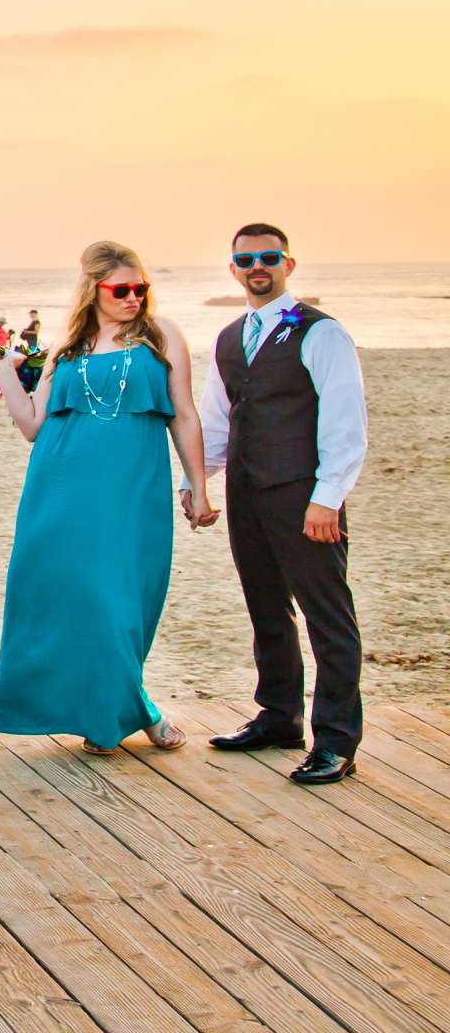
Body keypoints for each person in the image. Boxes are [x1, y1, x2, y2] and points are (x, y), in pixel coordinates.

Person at [0, 242, 215, 755]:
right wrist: (7, 372)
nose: (134, 297)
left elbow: (183, 413)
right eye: (122, 290)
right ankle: (128, 713)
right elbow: (31, 427)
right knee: (71, 602)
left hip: (131, 492)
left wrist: (198, 486)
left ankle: (131, 709)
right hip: (59, 491)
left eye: (141, 288)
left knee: (119, 603)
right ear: (94, 290)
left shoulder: (161, 337)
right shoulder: (68, 348)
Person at [203, 223, 369, 785]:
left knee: (328, 616)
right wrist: (199, 482)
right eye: (246, 259)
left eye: (269, 257)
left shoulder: (321, 333)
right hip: (246, 492)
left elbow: (346, 425)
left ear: (288, 265)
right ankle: (279, 717)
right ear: (232, 269)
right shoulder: (230, 336)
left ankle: (337, 742)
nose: (258, 267)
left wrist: (328, 499)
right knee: (266, 608)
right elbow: (218, 419)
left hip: (305, 495)